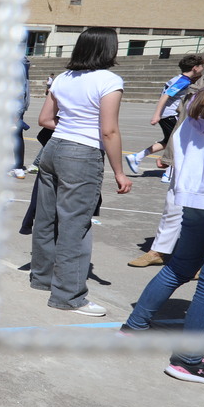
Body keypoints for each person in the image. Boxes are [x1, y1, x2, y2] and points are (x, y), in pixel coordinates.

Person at [30, 27, 132, 316]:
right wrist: (119, 172)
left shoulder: (63, 77)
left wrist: (71, 125)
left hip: (54, 148)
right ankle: (69, 296)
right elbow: (109, 130)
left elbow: (44, 119)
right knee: (76, 225)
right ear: (108, 50)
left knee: (47, 217)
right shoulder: (109, 80)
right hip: (82, 153)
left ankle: (42, 277)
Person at [120, 77, 204, 384]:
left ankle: (135, 326)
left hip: (194, 197)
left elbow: (180, 149)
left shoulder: (196, 103)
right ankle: (188, 360)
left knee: (180, 268)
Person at [125, 55, 204, 176]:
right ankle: (168, 173)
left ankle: (137, 157)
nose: (203, 68)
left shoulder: (180, 78)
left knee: (167, 141)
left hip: (166, 115)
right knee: (178, 141)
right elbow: (165, 96)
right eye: (201, 66)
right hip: (170, 115)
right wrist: (156, 115)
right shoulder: (183, 81)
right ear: (195, 68)